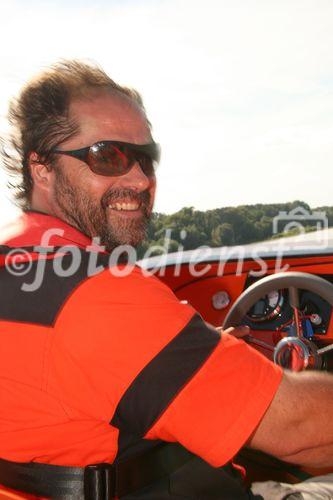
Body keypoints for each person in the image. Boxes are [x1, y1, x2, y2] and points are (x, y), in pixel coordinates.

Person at [0, 60, 333, 500]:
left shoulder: (17, 262)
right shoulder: (98, 293)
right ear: (41, 169)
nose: (139, 178)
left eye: (145, 159)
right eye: (108, 155)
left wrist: (199, 354)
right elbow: (302, 433)